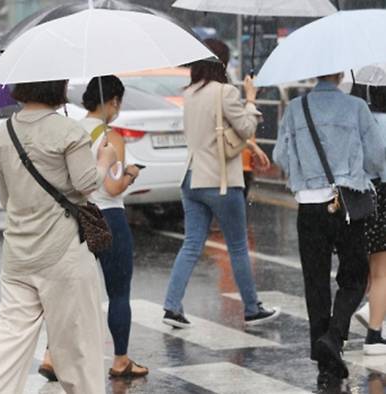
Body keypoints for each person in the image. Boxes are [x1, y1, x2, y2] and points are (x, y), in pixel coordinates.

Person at [0, 80, 118, 394]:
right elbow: (86, 184)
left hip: (18, 253)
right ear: (58, 88)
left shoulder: (3, 132)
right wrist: (104, 161)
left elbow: (5, 197)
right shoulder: (68, 131)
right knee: (77, 345)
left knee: (8, 340)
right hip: (63, 252)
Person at [273, 72, 384, 390]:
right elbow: (377, 157)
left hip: (309, 206)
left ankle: (326, 367)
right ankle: (335, 336)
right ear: (339, 74)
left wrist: (305, 173)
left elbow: (281, 155)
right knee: (354, 278)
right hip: (348, 203)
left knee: (315, 282)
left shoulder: (296, 108)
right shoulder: (356, 107)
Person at [162, 39, 280, 329]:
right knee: (238, 246)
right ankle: (252, 308)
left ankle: (172, 306)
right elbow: (247, 126)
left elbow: (215, 132)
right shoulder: (225, 92)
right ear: (222, 63)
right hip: (220, 181)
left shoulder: (189, 93)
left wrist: (249, 146)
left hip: (191, 178)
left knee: (191, 245)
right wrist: (250, 98)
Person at [39, 75, 147, 381]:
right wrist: (132, 174)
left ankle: (50, 355)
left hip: (76, 218)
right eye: (119, 103)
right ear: (113, 102)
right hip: (109, 218)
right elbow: (112, 187)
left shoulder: (70, 130)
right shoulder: (111, 136)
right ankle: (121, 360)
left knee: (69, 292)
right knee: (118, 292)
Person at [348, 83, 386, 355]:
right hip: (383, 192)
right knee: (381, 270)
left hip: (359, 194)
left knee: (373, 266)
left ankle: (373, 311)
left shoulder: (355, 119)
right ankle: (374, 333)